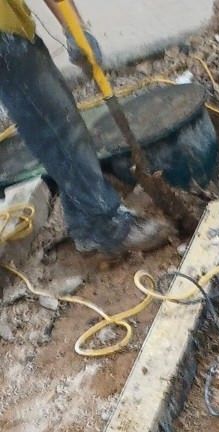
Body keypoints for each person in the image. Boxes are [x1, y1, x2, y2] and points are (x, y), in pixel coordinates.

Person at [0, 0, 168, 253]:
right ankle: (106, 226)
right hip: (5, 40)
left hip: (12, 27)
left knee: (57, 121)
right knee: (56, 126)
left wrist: (75, 28)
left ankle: (85, 223)